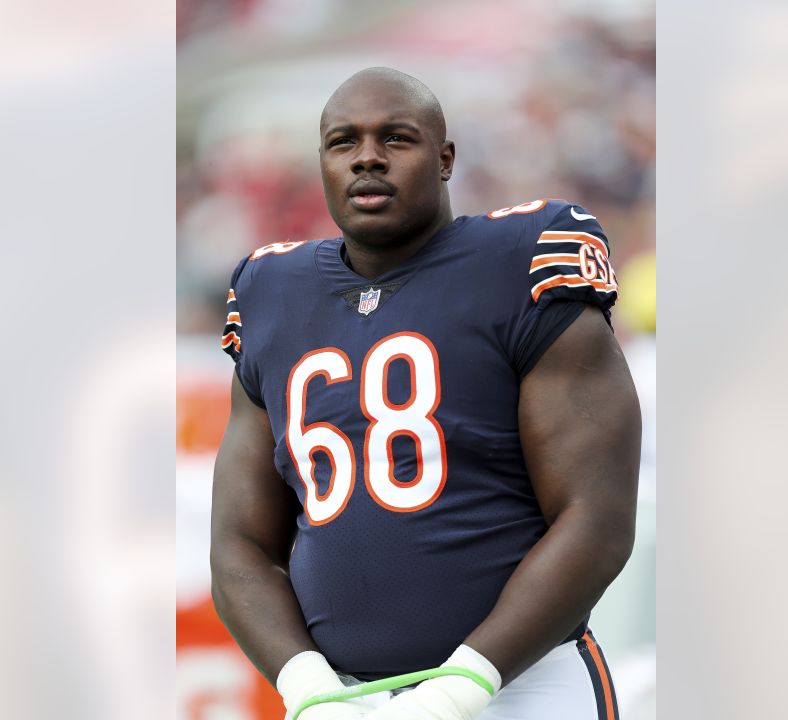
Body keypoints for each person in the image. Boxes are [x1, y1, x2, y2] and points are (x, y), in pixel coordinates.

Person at [211, 67, 641, 720]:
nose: (367, 159)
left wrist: (459, 688)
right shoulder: (272, 289)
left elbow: (597, 517)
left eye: (396, 138)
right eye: (342, 142)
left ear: (445, 160)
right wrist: (308, 690)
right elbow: (239, 541)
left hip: (519, 687)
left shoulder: (519, 259)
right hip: (344, 696)